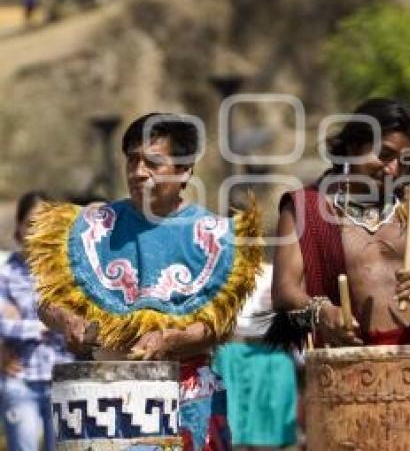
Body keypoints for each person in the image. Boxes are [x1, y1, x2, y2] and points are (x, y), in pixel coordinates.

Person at [27, 112, 263, 450]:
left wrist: (174, 338)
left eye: (153, 162)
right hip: (104, 398)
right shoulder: (91, 228)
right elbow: (47, 302)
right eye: (132, 161)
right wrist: (68, 321)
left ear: (185, 170)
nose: (138, 172)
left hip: (187, 396)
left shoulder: (217, 238)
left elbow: (218, 327)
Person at [266, 97, 410, 450]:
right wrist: (324, 313)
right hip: (347, 372)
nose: (394, 169)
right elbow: (285, 291)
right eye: (385, 155)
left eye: (405, 161)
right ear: (352, 147)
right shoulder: (307, 209)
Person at [0, 191, 74, 451]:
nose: (37, 232)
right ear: (19, 228)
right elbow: (3, 324)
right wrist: (48, 325)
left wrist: (24, 323)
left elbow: (79, 325)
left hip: (64, 380)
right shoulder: (5, 272)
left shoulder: (68, 274)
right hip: (20, 381)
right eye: (31, 224)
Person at [213, 262, 298, 451]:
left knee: (270, 437)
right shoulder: (223, 266)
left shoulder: (284, 269)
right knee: (230, 434)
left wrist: (280, 303)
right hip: (231, 350)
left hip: (272, 352)